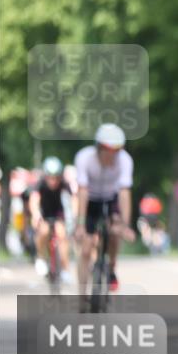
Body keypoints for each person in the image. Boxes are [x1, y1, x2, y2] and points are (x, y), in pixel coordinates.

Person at [74, 123, 136, 293]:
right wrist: (80, 224)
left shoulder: (125, 160)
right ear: (98, 147)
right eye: (108, 149)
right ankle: (81, 296)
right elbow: (82, 191)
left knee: (116, 231)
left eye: (117, 150)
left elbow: (124, 193)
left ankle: (111, 266)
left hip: (111, 199)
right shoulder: (84, 157)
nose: (112, 155)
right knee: (86, 250)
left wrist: (125, 224)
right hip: (91, 200)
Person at [29, 156, 72, 281]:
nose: (53, 181)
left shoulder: (64, 184)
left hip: (59, 213)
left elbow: (73, 199)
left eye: (56, 177)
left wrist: (74, 216)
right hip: (44, 213)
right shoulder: (40, 183)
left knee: (62, 234)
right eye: (50, 177)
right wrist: (36, 214)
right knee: (44, 231)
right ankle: (41, 257)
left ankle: (64, 269)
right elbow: (34, 199)